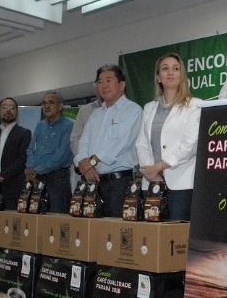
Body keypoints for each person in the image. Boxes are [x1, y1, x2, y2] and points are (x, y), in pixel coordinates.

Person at [136, 53, 201, 220]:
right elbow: (141, 144)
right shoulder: (149, 108)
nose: (170, 73)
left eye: (175, 69)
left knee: (176, 239)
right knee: (152, 238)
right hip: (152, 182)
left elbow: (191, 144)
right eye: (165, 69)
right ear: (158, 77)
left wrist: (161, 166)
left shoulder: (194, 105)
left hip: (182, 184)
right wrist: (150, 171)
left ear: (182, 75)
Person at [75, 64, 142, 217]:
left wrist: (90, 163)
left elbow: (120, 144)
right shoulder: (96, 114)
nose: (103, 85)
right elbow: (83, 142)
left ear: (122, 85)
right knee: (92, 233)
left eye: (108, 80)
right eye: (100, 82)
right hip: (92, 183)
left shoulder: (133, 110)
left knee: (115, 234)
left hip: (118, 184)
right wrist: (83, 163)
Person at [26, 92, 74, 213]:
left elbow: (61, 157)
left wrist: (36, 170)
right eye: (44, 103)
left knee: (57, 220)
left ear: (60, 106)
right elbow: (31, 149)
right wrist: (31, 169)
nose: (46, 106)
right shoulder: (40, 125)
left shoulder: (69, 126)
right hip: (36, 179)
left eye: (51, 102)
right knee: (37, 218)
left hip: (57, 179)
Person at [0, 98, 31, 210]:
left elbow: (22, 159)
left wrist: (2, 176)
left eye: (12, 108)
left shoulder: (24, 133)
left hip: (13, 185)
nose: (9, 110)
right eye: (5, 107)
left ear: (17, 112)